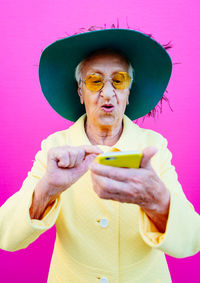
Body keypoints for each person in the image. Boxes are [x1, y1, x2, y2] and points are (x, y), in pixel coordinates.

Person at [0, 28, 200, 283]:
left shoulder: (154, 147)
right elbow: (6, 235)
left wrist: (157, 201)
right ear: (80, 93)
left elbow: (192, 239)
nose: (107, 93)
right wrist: (46, 189)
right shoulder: (56, 147)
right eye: (95, 81)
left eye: (118, 81)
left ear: (128, 94)